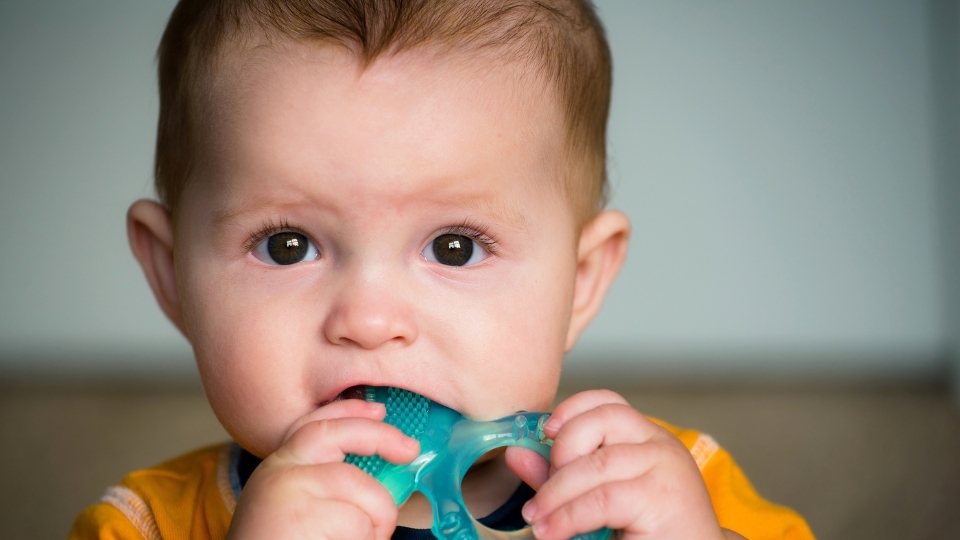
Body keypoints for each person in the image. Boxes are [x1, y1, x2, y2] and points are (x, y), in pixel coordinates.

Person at [69, 1, 814, 539]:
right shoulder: (145, 524)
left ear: (580, 281)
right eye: (288, 245)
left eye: (454, 247)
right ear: (173, 276)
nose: (369, 318)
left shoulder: (663, 490)